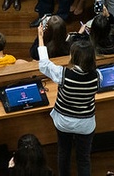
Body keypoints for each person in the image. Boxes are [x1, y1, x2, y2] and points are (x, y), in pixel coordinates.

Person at [37, 32, 99, 176]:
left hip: (64, 121)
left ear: (74, 57)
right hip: (86, 124)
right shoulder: (97, 76)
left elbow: (44, 64)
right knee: (84, 159)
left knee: (63, 153)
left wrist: (41, 37)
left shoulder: (63, 74)